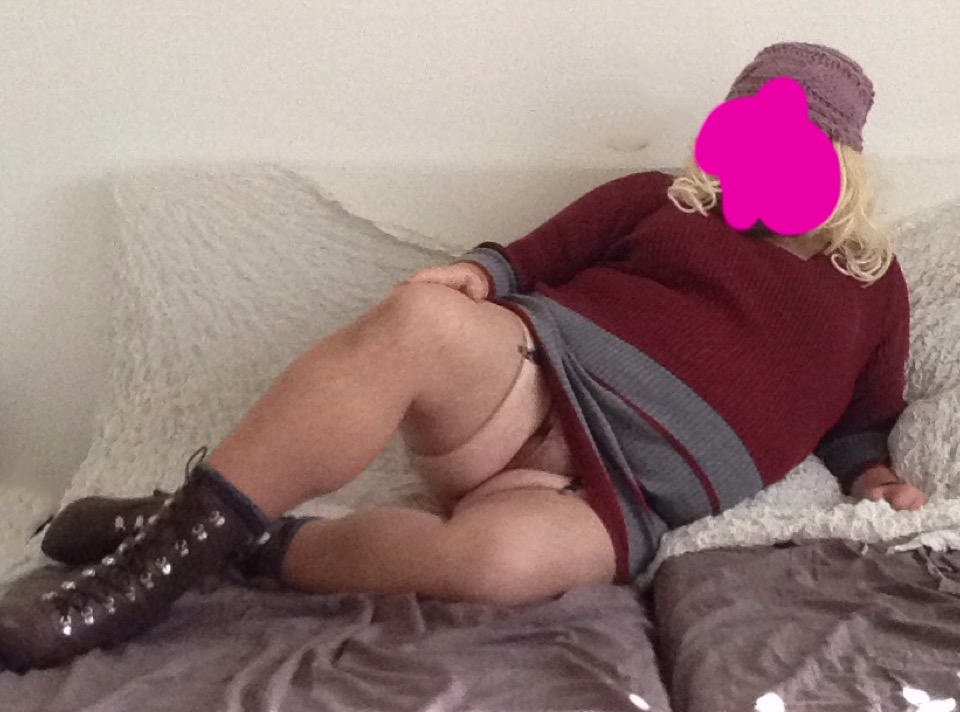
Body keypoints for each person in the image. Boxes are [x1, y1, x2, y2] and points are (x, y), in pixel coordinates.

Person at [0, 41, 926, 674]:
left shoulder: (873, 283)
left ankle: (236, 542)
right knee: (421, 318)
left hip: (623, 497)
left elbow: (861, 421)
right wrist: (474, 279)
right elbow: (526, 259)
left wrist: (876, 476)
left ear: (842, 165)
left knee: (498, 568)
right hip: (535, 382)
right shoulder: (663, 199)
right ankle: (141, 578)